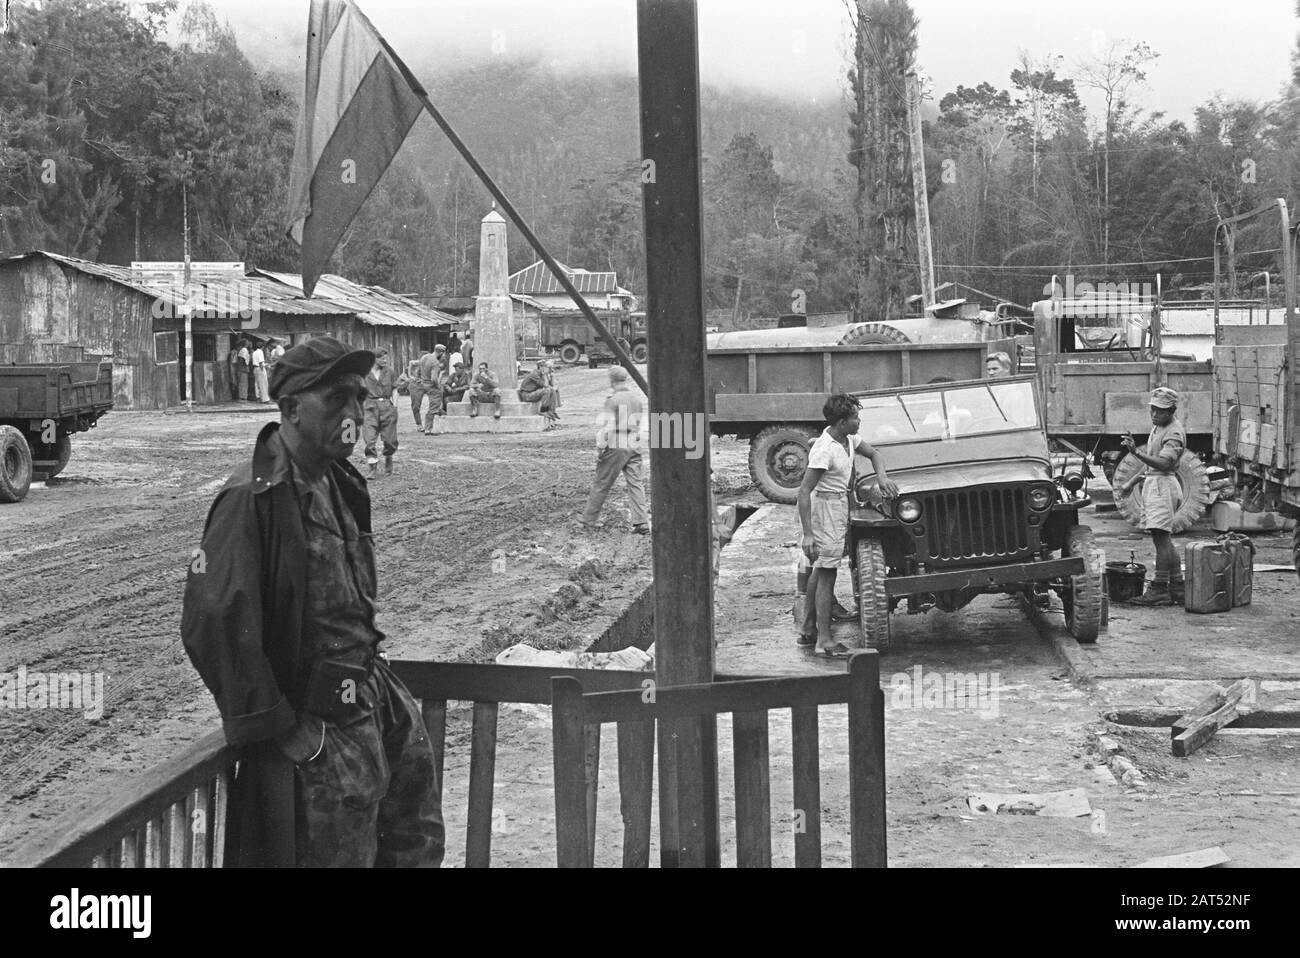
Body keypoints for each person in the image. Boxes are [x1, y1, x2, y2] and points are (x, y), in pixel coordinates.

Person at [180, 335, 444, 867]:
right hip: (318, 734)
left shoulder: (340, 481)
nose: (352, 414)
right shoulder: (254, 497)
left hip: (370, 705)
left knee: (412, 845)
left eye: (357, 399)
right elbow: (213, 619)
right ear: (291, 408)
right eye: (336, 400)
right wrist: (277, 725)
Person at [797, 393, 899, 657]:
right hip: (825, 508)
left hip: (839, 503)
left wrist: (883, 478)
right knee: (828, 571)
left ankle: (808, 627)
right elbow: (804, 491)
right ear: (842, 422)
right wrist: (808, 534)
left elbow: (874, 454)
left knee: (821, 568)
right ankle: (824, 641)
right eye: (855, 417)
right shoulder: (824, 449)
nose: (859, 420)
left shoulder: (849, 440)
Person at [1121, 386, 1186, 606]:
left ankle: (1159, 587)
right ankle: (1177, 586)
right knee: (1163, 539)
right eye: (1153, 409)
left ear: (1172, 410)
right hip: (1156, 483)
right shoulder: (1158, 428)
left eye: (1161, 410)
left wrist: (1135, 452)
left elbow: (1164, 463)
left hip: (1163, 486)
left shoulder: (1174, 432)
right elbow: (1151, 462)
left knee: (1161, 539)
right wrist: (1131, 482)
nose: (1155, 414)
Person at [580, 365, 648, 533]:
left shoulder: (613, 400)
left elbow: (608, 426)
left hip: (617, 443)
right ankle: (642, 522)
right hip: (634, 442)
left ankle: (588, 520)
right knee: (635, 483)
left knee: (602, 482)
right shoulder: (637, 399)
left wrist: (600, 448)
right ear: (625, 379)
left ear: (611, 381)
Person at [362, 347, 400, 477]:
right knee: (369, 438)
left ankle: (388, 456)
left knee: (390, 439)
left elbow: (395, 389)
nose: (385, 360)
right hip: (370, 407)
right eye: (382, 358)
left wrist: (394, 405)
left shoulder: (390, 372)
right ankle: (372, 467)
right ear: (374, 359)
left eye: (386, 358)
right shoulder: (364, 373)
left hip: (386, 406)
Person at [519, 359, 561, 429]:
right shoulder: (535, 374)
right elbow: (546, 385)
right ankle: (543, 410)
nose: (549, 369)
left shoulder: (542, 374)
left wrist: (551, 375)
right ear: (541, 367)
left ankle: (552, 411)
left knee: (553, 390)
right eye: (547, 367)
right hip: (527, 395)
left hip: (533, 393)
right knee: (547, 391)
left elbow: (552, 385)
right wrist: (545, 375)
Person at [418, 344, 447, 434]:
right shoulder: (435, 362)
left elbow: (419, 370)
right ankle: (428, 428)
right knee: (434, 407)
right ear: (441, 352)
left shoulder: (424, 357)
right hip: (431, 385)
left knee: (432, 406)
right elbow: (434, 378)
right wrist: (438, 386)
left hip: (424, 384)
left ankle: (429, 427)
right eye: (443, 353)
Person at [404, 352, 428, 428]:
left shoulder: (430, 363)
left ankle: (432, 423)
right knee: (416, 405)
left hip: (426, 383)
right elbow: (411, 362)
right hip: (416, 384)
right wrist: (410, 375)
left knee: (436, 401)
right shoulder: (417, 362)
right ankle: (419, 424)